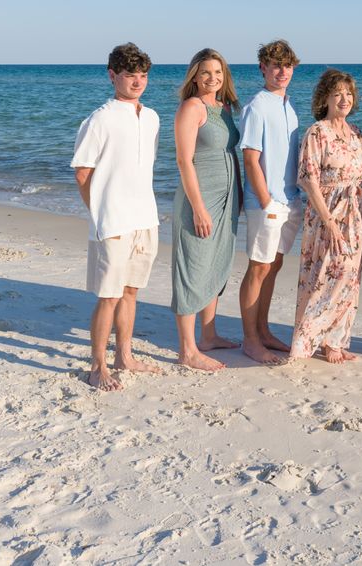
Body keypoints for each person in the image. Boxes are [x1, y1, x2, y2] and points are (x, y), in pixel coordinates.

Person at [71, 42, 163, 392]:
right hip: (113, 220)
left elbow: (145, 167)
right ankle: (98, 364)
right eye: (129, 76)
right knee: (108, 295)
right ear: (113, 76)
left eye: (142, 76)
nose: (137, 82)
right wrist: (99, 212)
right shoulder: (100, 118)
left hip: (146, 217)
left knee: (130, 291)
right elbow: (82, 171)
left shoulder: (152, 117)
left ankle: (125, 355)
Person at [289, 69, 362, 364]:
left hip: (355, 214)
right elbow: (308, 178)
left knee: (350, 277)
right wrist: (330, 222)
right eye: (338, 93)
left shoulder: (356, 132)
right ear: (325, 98)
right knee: (328, 274)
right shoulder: (317, 132)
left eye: (348, 93)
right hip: (327, 213)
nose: (344, 99)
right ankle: (308, 337)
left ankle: (334, 342)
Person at [171, 48, 242, 372]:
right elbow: (184, 160)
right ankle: (188, 349)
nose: (212, 78)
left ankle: (209, 335)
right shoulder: (192, 107)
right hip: (200, 199)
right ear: (194, 77)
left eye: (218, 72)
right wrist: (198, 208)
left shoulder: (224, 108)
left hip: (227, 200)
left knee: (216, 264)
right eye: (205, 73)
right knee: (193, 266)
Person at [237, 39, 303, 364]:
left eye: (287, 65)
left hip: (290, 200)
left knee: (274, 266)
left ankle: (263, 331)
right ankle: (250, 340)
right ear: (263, 68)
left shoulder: (289, 106)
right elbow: (250, 158)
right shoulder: (257, 105)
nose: (282, 71)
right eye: (275, 65)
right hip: (267, 203)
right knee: (259, 267)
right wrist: (266, 201)